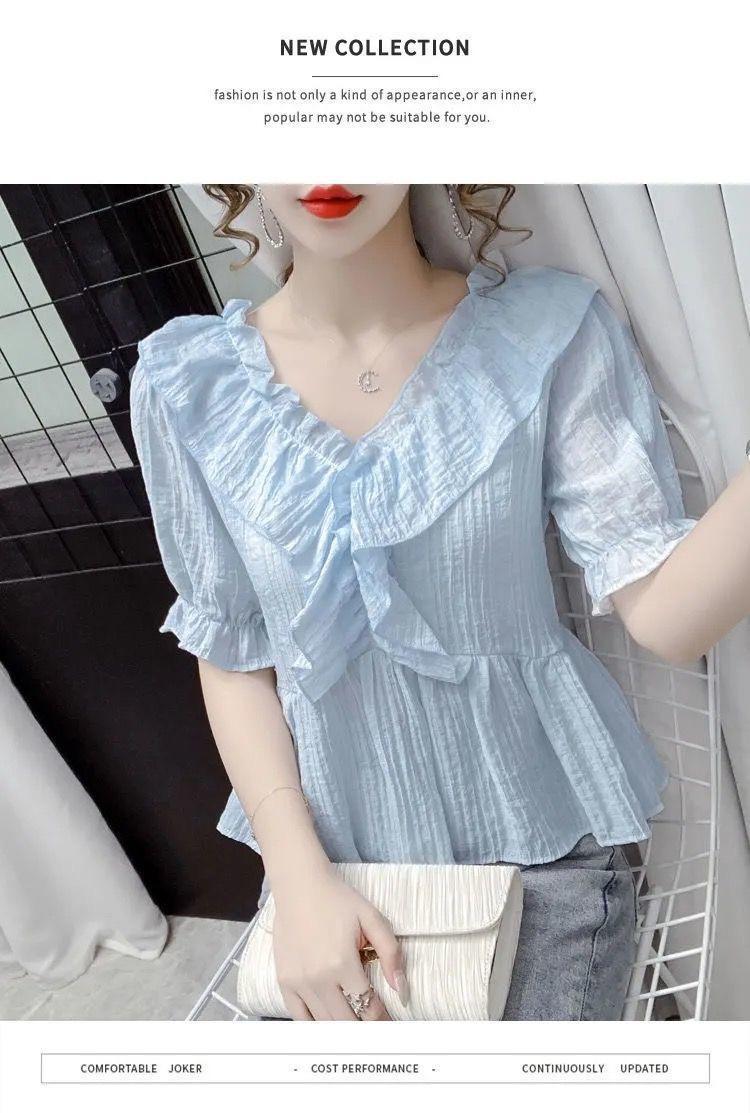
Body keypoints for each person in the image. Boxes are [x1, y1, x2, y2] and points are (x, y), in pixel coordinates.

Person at [130, 184, 750, 1021]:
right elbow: (234, 655)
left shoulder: (544, 332)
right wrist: (299, 879)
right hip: (331, 870)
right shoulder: (186, 382)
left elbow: (670, 616)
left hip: (542, 865)